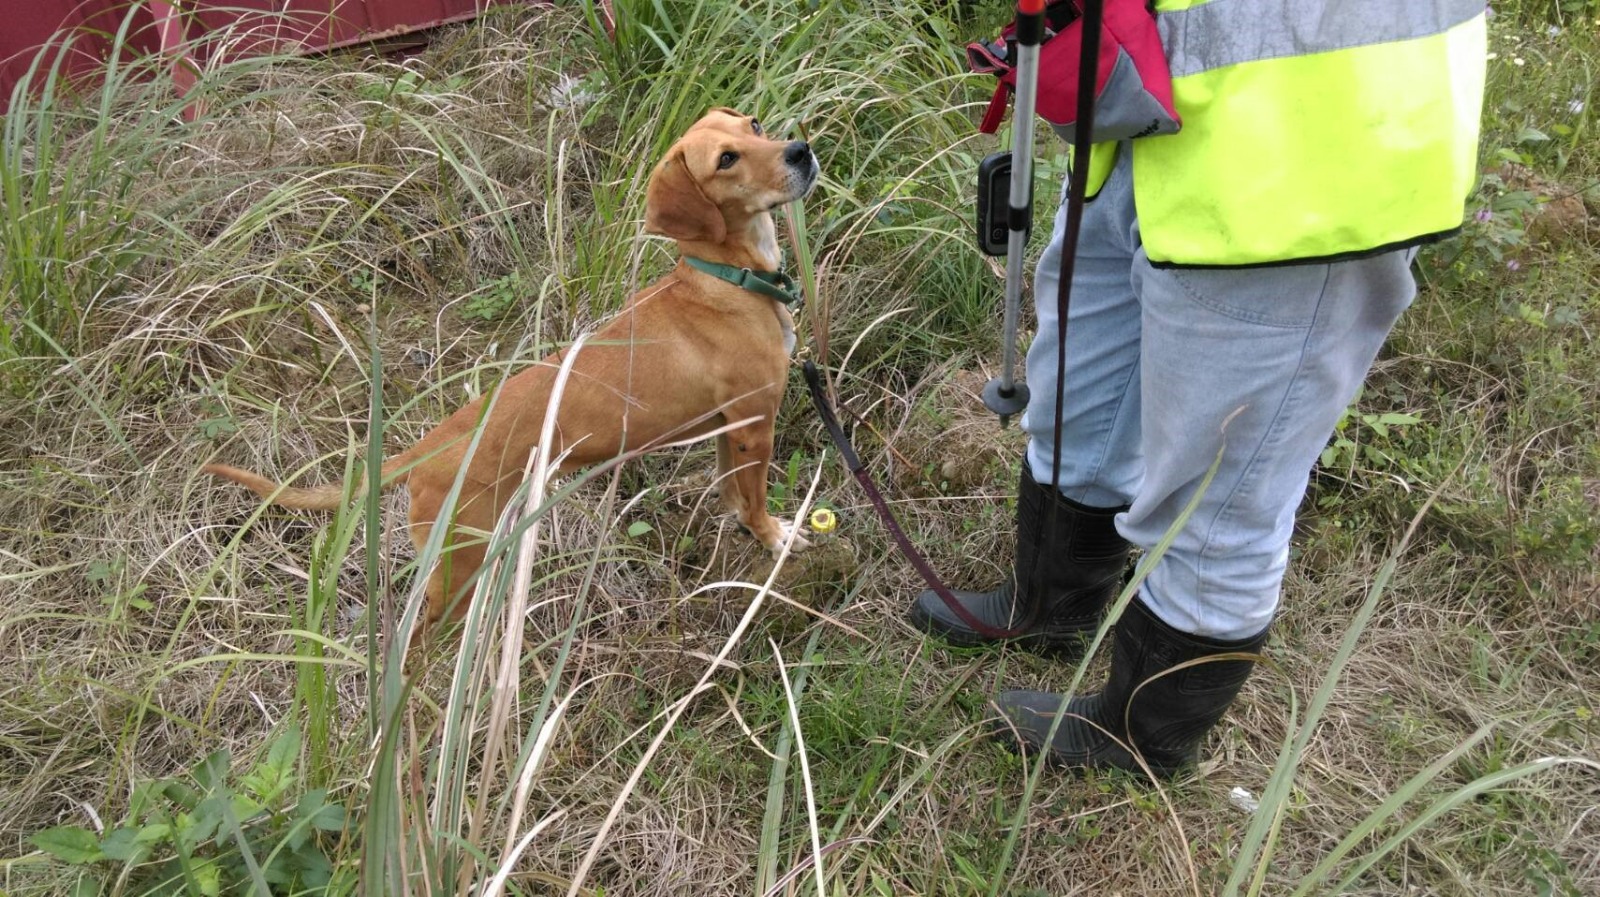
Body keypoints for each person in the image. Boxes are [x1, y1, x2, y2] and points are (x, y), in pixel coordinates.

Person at [909, 1, 1490, 777]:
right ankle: (1049, 609)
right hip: (1134, 117)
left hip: (1305, 165)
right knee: (1075, 403)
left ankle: (1140, 740)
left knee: (1218, 495)